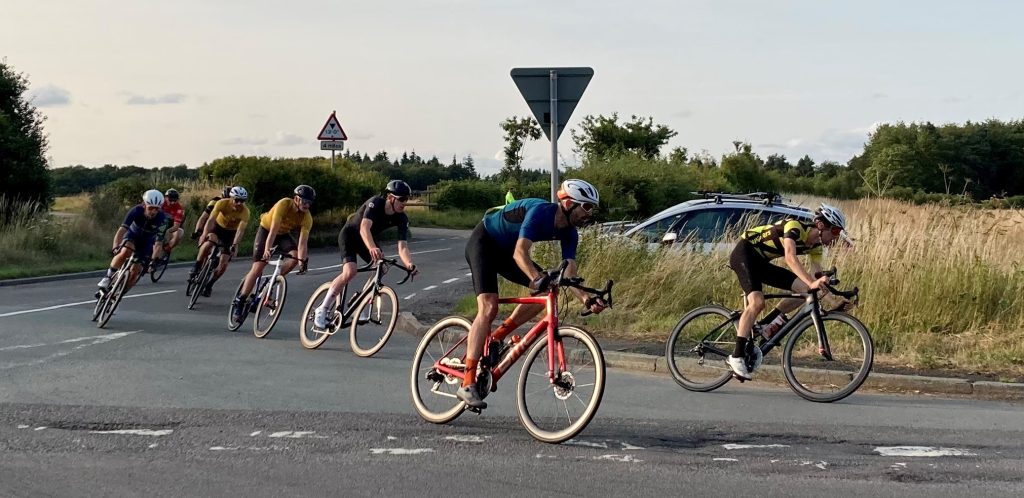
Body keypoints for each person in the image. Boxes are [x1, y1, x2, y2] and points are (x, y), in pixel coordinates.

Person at [458, 179, 608, 409]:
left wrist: (586, 298)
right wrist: (537, 278)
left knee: (549, 290)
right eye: (586, 207)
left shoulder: (570, 233)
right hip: (484, 243)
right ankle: (467, 381)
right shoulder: (541, 212)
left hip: (505, 252)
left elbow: (570, 270)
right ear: (568, 204)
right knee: (489, 307)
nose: (589, 213)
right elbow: (520, 254)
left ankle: (497, 337)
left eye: (592, 208)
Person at [726, 203, 850, 380]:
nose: (837, 237)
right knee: (757, 302)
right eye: (836, 231)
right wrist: (813, 283)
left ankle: (765, 325)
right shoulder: (795, 227)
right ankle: (736, 356)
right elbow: (790, 258)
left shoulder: (816, 247)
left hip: (761, 263)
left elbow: (815, 277)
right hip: (744, 254)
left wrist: (834, 301)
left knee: (807, 292)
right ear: (821, 226)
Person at [313, 180, 420, 328]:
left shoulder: (401, 218)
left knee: (382, 267)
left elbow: (402, 246)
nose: (404, 203)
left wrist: (409, 264)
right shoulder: (375, 203)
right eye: (401, 199)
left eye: (407, 199)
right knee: (350, 271)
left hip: (366, 240)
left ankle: (360, 301)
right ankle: (322, 309)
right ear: (390, 197)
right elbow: (364, 228)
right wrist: (372, 248)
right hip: (350, 235)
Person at [232, 185, 313, 323]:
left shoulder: (307, 218)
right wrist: (267, 250)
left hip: (283, 235)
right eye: (304, 201)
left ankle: (272, 283)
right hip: (267, 230)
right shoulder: (284, 204)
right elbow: (273, 230)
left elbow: (302, 242)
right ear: (296, 199)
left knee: (293, 258)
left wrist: (302, 262)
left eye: (309, 202)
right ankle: (241, 300)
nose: (306, 205)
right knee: (258, 267)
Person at [96, 189, 167, 293]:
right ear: (144, 205)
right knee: (125, 251)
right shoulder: (136, 211)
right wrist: (115, 246)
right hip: (132, 235)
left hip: (146, 242)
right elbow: (121, 230)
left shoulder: (162, 219)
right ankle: (108, 277)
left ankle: (119, 294)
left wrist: (153, 261)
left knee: (135, 273)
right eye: (150, 208)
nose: (153, 212)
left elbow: (158, 243)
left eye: (156, 209)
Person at [190, 186, 250, 297]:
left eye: (242, 201)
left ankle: (209, 285)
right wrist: (203, 234)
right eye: (237, 200)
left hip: (230, 233)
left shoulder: (245, 212)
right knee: (209, 242)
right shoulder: (221, 203)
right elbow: (210, 220)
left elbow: (240, 231)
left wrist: (235, 245)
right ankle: (197, 265)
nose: (239, 203)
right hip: (217, 227)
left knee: (224, 263)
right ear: (231, 198)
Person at [152, 188, 184, 263]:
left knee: (179, 232)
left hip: (170, 227)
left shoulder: (179, 209)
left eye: (175, 200)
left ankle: (167, 248)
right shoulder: (160, 203)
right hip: (157, 224)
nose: (172, 203)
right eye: (170, 200)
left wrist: (167, 231)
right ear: (165, 198)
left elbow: (176, 226)